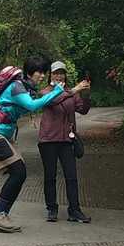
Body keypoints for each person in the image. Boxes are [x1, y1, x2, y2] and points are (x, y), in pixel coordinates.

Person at [0, 56, 65, 233]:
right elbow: (32, 106)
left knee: (19, 173)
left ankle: (0, 214)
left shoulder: (25, 87)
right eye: (39, 72)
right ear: (30, 72)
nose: (42, 75)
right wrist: (57, 91)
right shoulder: (16, 86)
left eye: (44, 72)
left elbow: (31, 103)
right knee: (19, 172)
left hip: (2, 135)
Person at [38, 61, 92, 223]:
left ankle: (74, 210)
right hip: (48, 140)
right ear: (50, 75)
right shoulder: (45, 92)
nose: (59, 76)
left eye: (61, 73)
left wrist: (86, 94)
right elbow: (53, 101)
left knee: (71, 176)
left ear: (65, 75)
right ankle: (52, 209)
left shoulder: (72, 93)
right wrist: (74, 90)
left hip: (67, 140)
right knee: (50, 176)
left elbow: (83, 110)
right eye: (56, 73)